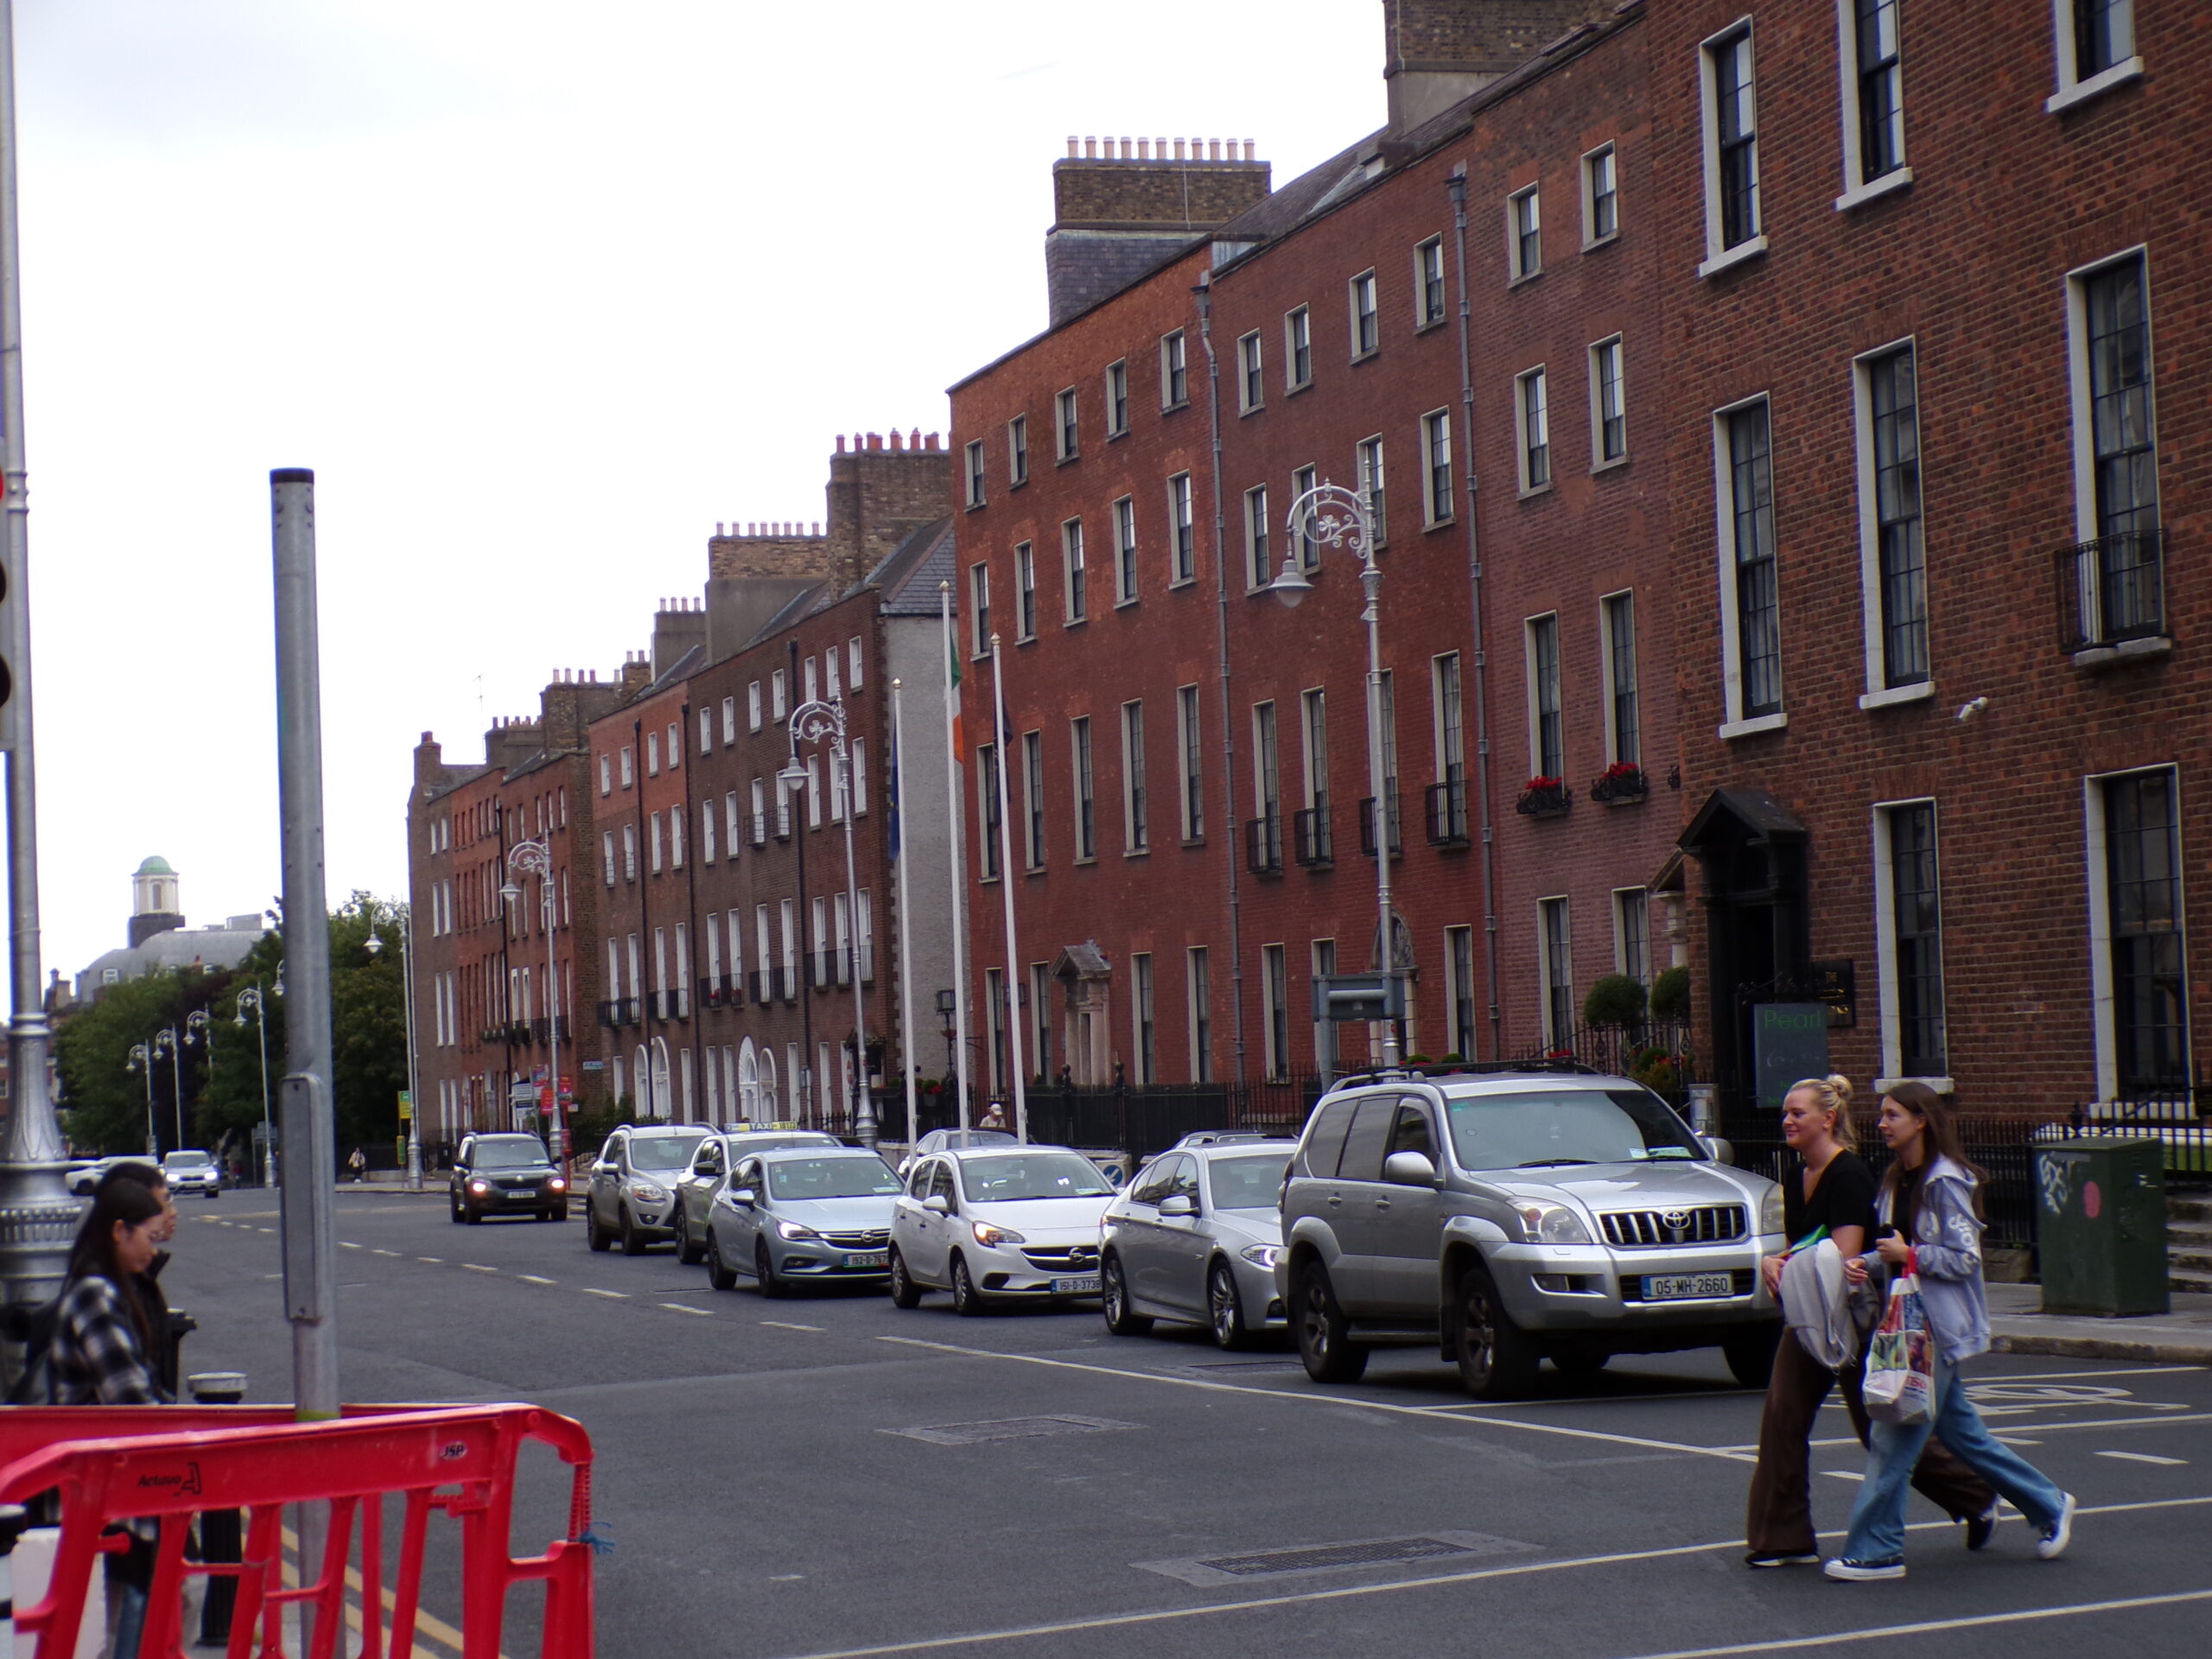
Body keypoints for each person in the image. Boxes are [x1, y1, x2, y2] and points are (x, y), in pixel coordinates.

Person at [1826, 1082, 2075, 1580]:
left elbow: (1964, 1259)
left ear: (1922, 1120)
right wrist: (1868, 1263)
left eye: (1892, 1115)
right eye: (1882, 1115)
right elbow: (1893, 1249)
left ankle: (1877, 1549)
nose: (1882, 1123)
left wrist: (1907, 1256)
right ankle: (2050, 1503)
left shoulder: (1945, 1181)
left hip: (1931, 1330)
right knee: (1966, 1437)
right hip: (1904, 1324)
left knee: (1893, 1439)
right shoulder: (1896, 1179)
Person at [1743, 1077, 1993, 1567]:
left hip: (1856, 1320)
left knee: (1880, 1431)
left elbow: (1843, 1254)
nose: (1787, 1121)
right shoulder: (1797, 1176)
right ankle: (1782, 1538)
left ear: (1827, 1119)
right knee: (1782, 1418)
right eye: (1786, 1113)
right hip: (1812, 1316)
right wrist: (1774, 1261)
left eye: (1797, 1113)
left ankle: (1974, 1496)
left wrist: (1787, 1263)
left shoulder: (1849, 1174)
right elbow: (1805, 1248)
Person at [54, 1177, 173, 1658]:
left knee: (141, 1611)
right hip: (106, 1496)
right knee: (126, 1620)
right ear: (119, 1232)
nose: (154, 1247)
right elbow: (131, 1400)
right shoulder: (95, 1297)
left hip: (114, 1493)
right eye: (149, 1236)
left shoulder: (107, 1289)